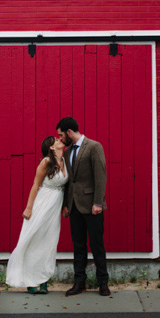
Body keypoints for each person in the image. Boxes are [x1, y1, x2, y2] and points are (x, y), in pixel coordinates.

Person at [6, 136, 68, 294]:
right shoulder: (46, 162)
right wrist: (29, 208)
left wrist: (66, 206)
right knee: (34, 240)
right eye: (56, 140)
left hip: (55, 206)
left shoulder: (65, 162)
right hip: (43, 203)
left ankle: (43, 279)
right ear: (52, 148)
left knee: (49, 242)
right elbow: (35, 185)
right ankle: (30, 281)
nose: (60, 140)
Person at [57, 116, 110, 297]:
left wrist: (97, 202)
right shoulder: (67, 151)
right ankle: (79, 283)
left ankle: (103, 283)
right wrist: (66, 204)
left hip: (92, 206)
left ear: (69, 132)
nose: (60, 139)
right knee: (78, 246)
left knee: (97, 245)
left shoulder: (94, 147)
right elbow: (68, 181)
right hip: (74, 207)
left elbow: (100, 177)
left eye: (61, 135)